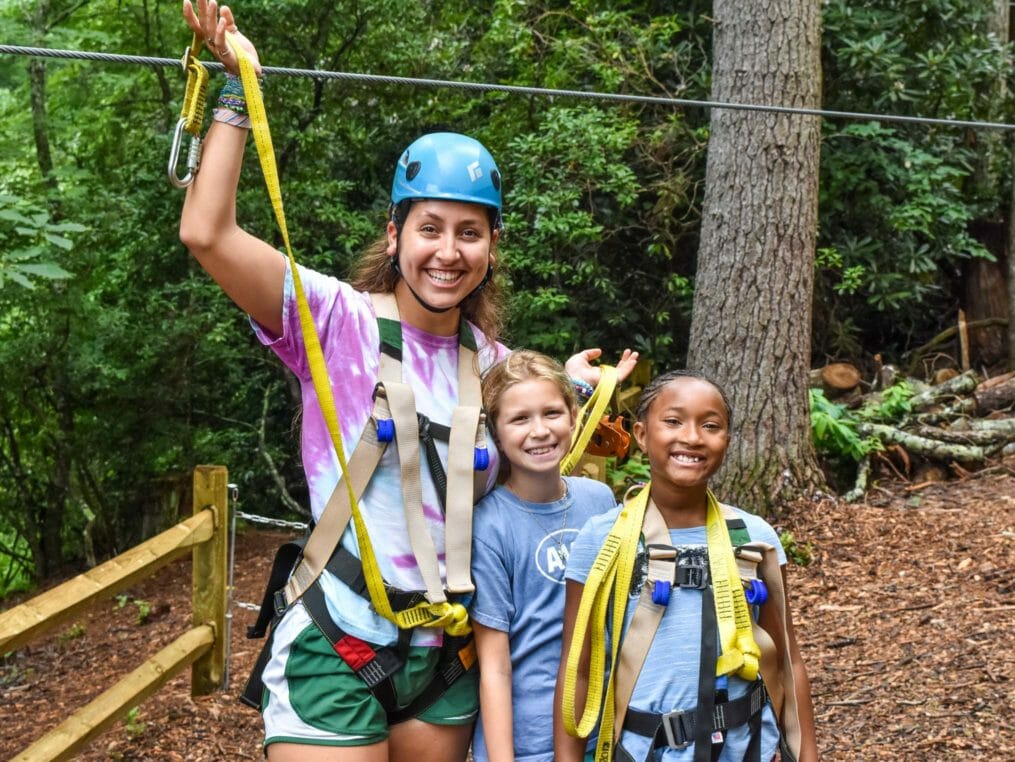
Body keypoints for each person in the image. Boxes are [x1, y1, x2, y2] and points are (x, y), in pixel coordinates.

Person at [179, 3, 637, 760]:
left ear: (492, 246)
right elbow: (208, 233)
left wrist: (577, 390)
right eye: (430, 228)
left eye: (468, 232)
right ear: (396, 236)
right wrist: (236, 90)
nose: (447, 252)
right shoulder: (334, 322)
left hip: (442, 661)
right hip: (338, 638)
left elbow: (529, 425)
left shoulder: (489, 362)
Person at [554, 370, 817, 762]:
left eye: (710, 425)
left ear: (726, 440)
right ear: (642, 435)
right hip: (642, 751)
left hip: (744, 750)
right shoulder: (603, 540)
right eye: (673, 421)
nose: (692, 437)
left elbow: (788, 658)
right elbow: (578, 670)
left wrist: (805, 753)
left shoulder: (753, 538)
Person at [469, 351, 618, 762]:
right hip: (528, 742)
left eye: (552, 413)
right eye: (519, 419)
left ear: (573, 416)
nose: (539, 431)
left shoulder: (600, 500)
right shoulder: (489, 524)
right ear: (496, 433)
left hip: (603, 731)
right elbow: (494, 666)